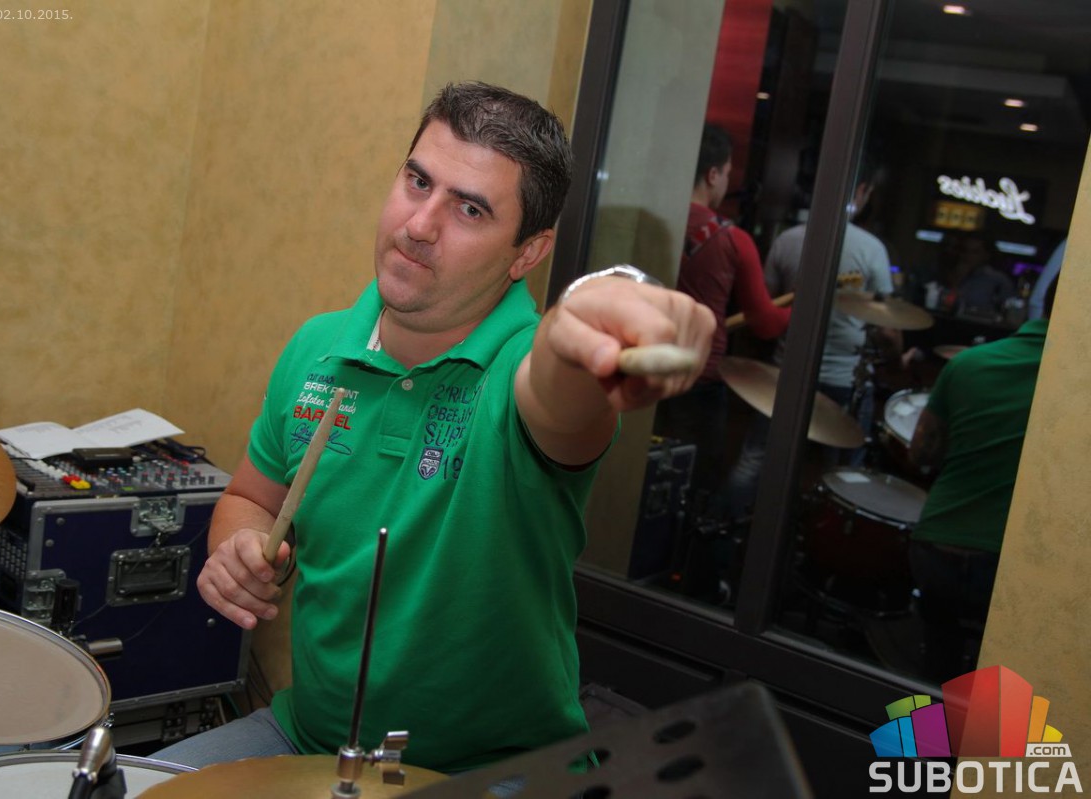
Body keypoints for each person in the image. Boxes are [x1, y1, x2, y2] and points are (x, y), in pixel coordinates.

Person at [151, 82, 714, 776]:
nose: (419, 224)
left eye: (470, 209)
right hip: (309, 737)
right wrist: (239, 547)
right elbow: (250, 498)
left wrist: (582, 329)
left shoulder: (521, 369)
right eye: (418, 181)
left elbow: (558, 389)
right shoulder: (317, 347)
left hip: (492, 770)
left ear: (527, 253)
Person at [722, 159, 896, 518]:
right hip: (844, 382)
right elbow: (889, 329)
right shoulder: (872, 250)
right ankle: (819, 539)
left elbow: (764, 310)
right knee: (844, 478)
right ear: (861, 191)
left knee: (754, 460)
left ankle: (723, 532)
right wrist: (896, 351)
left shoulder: (787, 240)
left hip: (785, 375)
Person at [906, 275, 1056, 682]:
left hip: (937, 548)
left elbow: (921, 454)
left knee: (934, 670)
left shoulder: (968, 364)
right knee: (1008, 685)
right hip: (1014, 565)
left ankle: (919, 722)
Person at [653, 124, 791, 517]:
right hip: (698, 381)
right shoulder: (734, 240)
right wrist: (801, 307)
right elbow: (765, 323)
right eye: (728, 173)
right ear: (713, 174)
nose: (728, 182)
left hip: (642, 369)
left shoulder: (654, 223)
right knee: (695, 490)